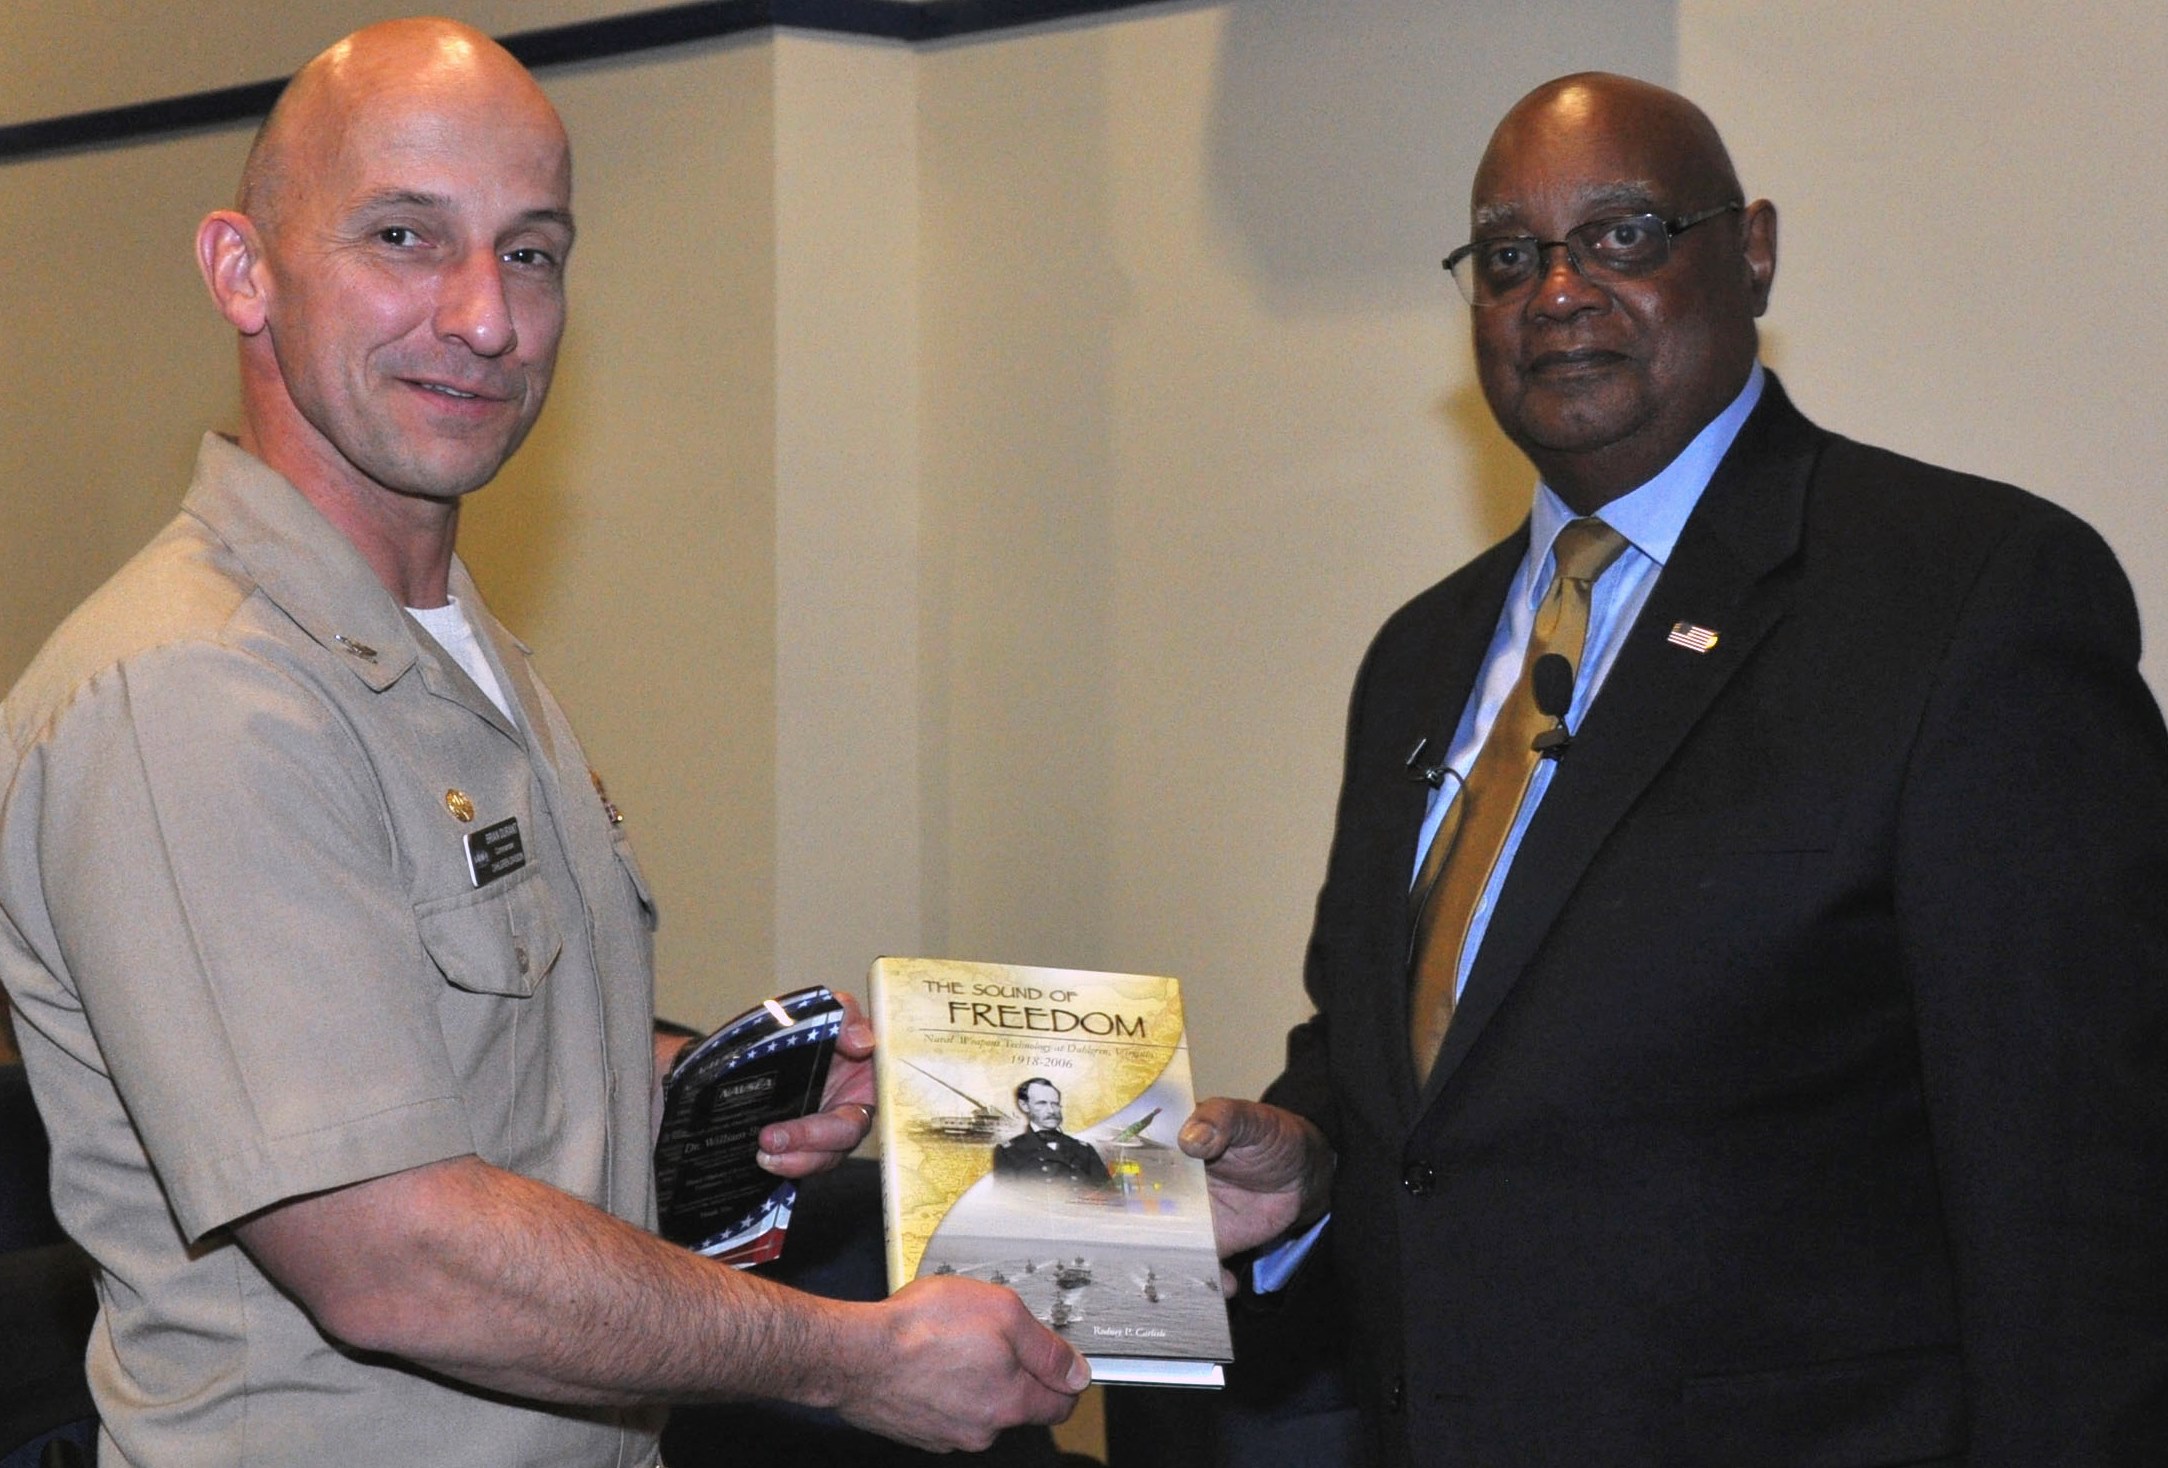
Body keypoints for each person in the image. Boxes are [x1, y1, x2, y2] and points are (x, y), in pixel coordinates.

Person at [0, 19, 1086, 1466]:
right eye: (403, 235)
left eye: (532, 251)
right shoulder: (194, 693)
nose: (486, 319)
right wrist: (853, 1359)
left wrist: (705, 1089)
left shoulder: (444, 643)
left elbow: (453, 1044)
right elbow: (395, 1255)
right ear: (241, 272)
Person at [1180, 72, 2168, 1466]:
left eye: (1626, 234)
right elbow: (1415, 1081)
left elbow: (2080, 1193)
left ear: (1752, 248)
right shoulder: (1421, 652)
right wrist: (1311, 1162)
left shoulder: (1964, 598)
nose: (1560, 291)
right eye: (1508, 257)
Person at [991, 1078, 1112, 1185]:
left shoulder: (1084, 1150)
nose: (1051, 1111)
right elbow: (1006, 1203)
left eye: (1055, 1104)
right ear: (1024, 1106)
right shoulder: (1009, 1152)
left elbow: (1109, 1196)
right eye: (1042, 1103)